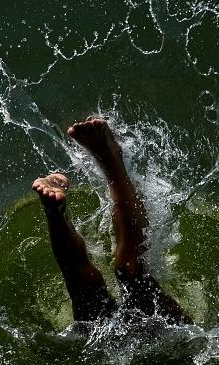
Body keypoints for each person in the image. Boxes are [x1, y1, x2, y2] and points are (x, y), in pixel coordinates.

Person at [32, 118, 192, 325]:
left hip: (103, 345)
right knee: (132, 273)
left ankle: (55, 210)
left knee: (86, 286)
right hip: (163, 335)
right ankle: (107, 158)